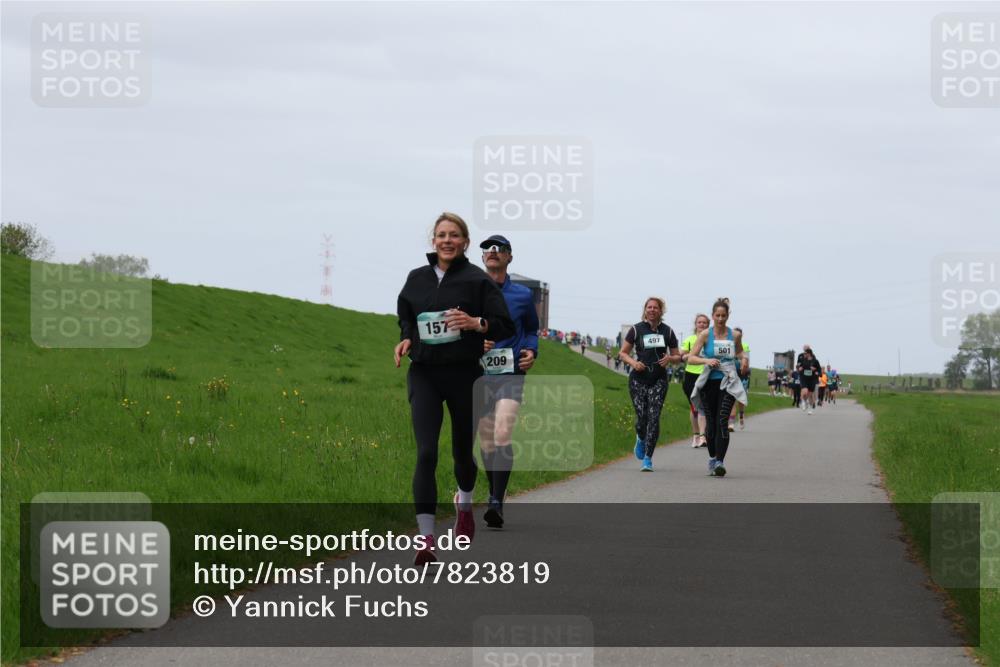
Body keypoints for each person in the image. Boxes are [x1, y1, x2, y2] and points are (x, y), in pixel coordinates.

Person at [395, 212, 515, 565]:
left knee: (462, 455)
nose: (447, 240)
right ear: (433, 240)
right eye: (441, 235)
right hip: (425, 374)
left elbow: (504, 324)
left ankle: (464, 502)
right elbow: (406, 315)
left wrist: (477, 323)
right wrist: (405, 338)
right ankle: (426, 540)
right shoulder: (416, 279)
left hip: (465, 375)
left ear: (464, 242)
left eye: (454, 235)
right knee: (426, 453)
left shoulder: (477, 281)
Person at [476, 234, 539, 530]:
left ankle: (496, 503)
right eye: (487, 249)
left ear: (509, 257)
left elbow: (531, 330)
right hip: (478, 374)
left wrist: (531, 351)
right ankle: (493, 492)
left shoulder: (523, 296)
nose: (493, 252)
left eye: (499, 249)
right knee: (487, 439)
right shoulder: (470, 291)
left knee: (502, 432)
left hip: (512, 372)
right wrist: (476, 343)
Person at [688, 298, 749, 477]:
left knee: (722, 420)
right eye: (717, 315)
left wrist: (743, 359)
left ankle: (720, 462)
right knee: (711, 424)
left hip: (728, 382)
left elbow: (738, 351)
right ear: (713, 316)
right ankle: (713, 457)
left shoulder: (735, 335)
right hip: (709, 383)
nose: (721, 319)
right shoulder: (706, 334)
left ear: (728, 316)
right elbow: (691, 357)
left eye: (724, 315)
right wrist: (707, 360)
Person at [619, 297, 681, 471]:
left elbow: (678, 357)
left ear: (661, 311)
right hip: (638, 379)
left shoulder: (667, 332)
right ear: (645, 310)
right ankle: (640, 437)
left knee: (654, 418)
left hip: (659, 380)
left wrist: (669, 358)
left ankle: (648, 458)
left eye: (656, 307)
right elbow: (623, 353)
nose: (652, 310)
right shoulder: (636, 329)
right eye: (649, 307)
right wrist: (633, 363)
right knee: (642, 418)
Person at [680, 313, 710, 448]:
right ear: (695, 324)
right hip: (691, 375)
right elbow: (681, 356)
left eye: (705, 323)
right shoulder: (690, 339)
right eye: (700, 322)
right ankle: (696, 435)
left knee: (705, 406)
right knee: (694, 408)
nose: (702, 325)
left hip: (707, 375)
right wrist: (691, 355)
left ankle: (704, 436)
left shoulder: (711, 340)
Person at [729, 327, 750, 430]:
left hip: (742, 375)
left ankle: (741, 415)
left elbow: (746, 360)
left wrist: (743, 365)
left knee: (740, 399)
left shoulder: (745, 346)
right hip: (731, 373)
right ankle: (731, 423)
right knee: (732, 398)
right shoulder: (727, 344)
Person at [796, 346, 822, 415]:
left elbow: (819, 371)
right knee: (804, 391)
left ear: (809, 354)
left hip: (812, 379)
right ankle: (803, 402)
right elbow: (798, 367)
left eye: (805, 353)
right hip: (804, 378)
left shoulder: (815, 361)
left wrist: (816, 372)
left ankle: (810, 409)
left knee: (810, 395)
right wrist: (799, 368)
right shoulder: (803, 360)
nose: (804, 354)